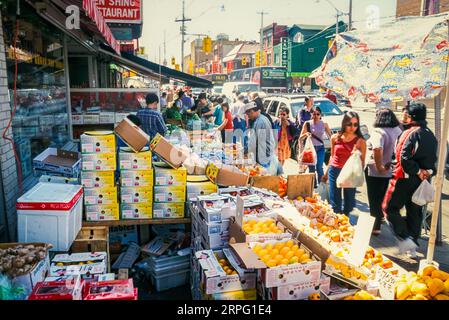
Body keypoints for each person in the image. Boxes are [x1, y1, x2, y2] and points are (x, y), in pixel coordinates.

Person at [382, 103, 437, 257]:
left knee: (389, 208)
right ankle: (412, 244)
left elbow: (403, 158)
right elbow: (434, 161)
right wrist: (426, 171)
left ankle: (405, 238)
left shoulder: (410, 133)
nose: (403, 116)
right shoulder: (430, 134)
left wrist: (418, 170)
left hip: (403, 178)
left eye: (406, 114)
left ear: (412, 117)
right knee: (415, 211)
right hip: (421, 180)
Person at [365, 109, 402, 236]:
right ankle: (380, 219)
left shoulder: (378, 131)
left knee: (374, 198)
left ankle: (375, 227)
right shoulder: (398, 130)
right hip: (391, 169)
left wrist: (379, 166)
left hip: (375, 171)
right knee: (383, 197)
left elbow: (377, 149)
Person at [322, 111, 367, 217]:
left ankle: (346, 224)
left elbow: (362, 161)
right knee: (335, 203)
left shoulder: (360, 141)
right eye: (350, 124)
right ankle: (336, 226)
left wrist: (355, 155)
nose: (353, 127)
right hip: (335, 171)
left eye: (355, 124)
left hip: (350, 174)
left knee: (349, 204)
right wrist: (326, 174)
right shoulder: (335, 137)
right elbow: (332, 157)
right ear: (344, 123)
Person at [244, 102, 283, 176]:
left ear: (252, 112)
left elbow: (253, 142)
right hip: (266, 152)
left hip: (264, 154)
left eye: (248, 114)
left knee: (265, 177)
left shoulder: (260, 122)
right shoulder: (262, 118)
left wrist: (245, 151)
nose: (248, 117)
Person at [300, 107, 332, 185]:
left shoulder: (324, 124)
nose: (316, 116)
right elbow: (300, 138)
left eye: (318, 114)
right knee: (311, 169)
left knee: (319, 168)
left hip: (320, 148)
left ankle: (321, 186)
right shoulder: (307, 124)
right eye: (314, 114)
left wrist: (334, 147)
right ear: (311, 114)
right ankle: (313, 186)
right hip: (310, 149)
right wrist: (306, 134)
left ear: (320, 115)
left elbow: (331, 137)